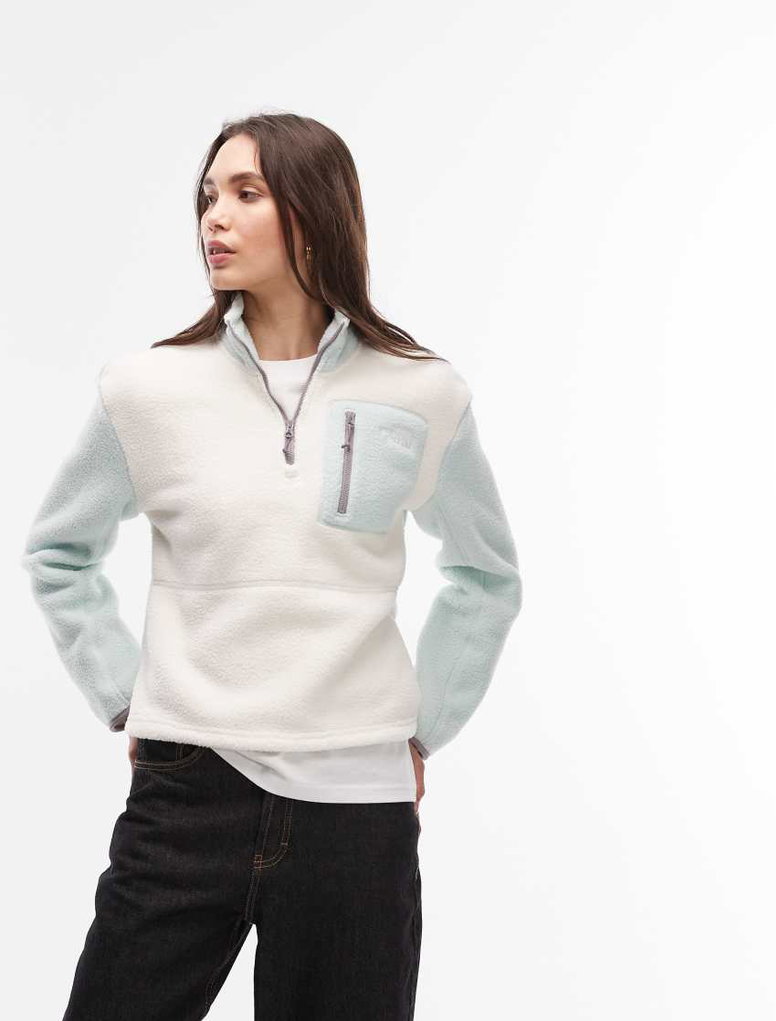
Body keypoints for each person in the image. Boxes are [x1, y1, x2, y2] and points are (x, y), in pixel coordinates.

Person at [20, 111, 523, 1020]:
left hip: (358, 809)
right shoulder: (147, 389)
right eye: (208, 196)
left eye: (245, 193)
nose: (214, 217)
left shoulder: (421, 390)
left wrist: (425, 727)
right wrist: (126, 695)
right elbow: (59, 550)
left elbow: (487, 574)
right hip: (186, 793)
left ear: (315, 212)